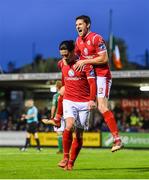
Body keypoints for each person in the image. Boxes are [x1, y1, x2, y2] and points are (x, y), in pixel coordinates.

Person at [43, 40, 96, 170]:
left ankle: (71, 162)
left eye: (66, 55)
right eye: (62, 55)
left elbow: (92, 84)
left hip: (84, 103)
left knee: (78, 134)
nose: (64, 58)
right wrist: (63, 87)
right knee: (69, 125)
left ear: (73, 52)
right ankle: (65, 157)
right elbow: (64, 78)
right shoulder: (61, 63)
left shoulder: (85, 65)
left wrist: (91, 99)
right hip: (69, 100)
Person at [74, 15, 122, 152]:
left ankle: (117, 139)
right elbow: (76, 57)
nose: (77, 27)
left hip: (102, 76)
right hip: (91, 77)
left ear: (87, 25)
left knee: (102, 106)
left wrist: (85, 61)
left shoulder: (96, 38)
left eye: (80, 24)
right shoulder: (78, 41)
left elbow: (104, 58)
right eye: (76, 24)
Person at [51, 80, 65, 154]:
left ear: (57, 87)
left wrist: (52, 116)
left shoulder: (56, 96)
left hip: (59, 115)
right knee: (67, 132)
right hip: (67, 115)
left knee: (59, 133)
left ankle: (60, 149)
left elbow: (53, 106)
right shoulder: (67, 94)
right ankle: (69, 149)